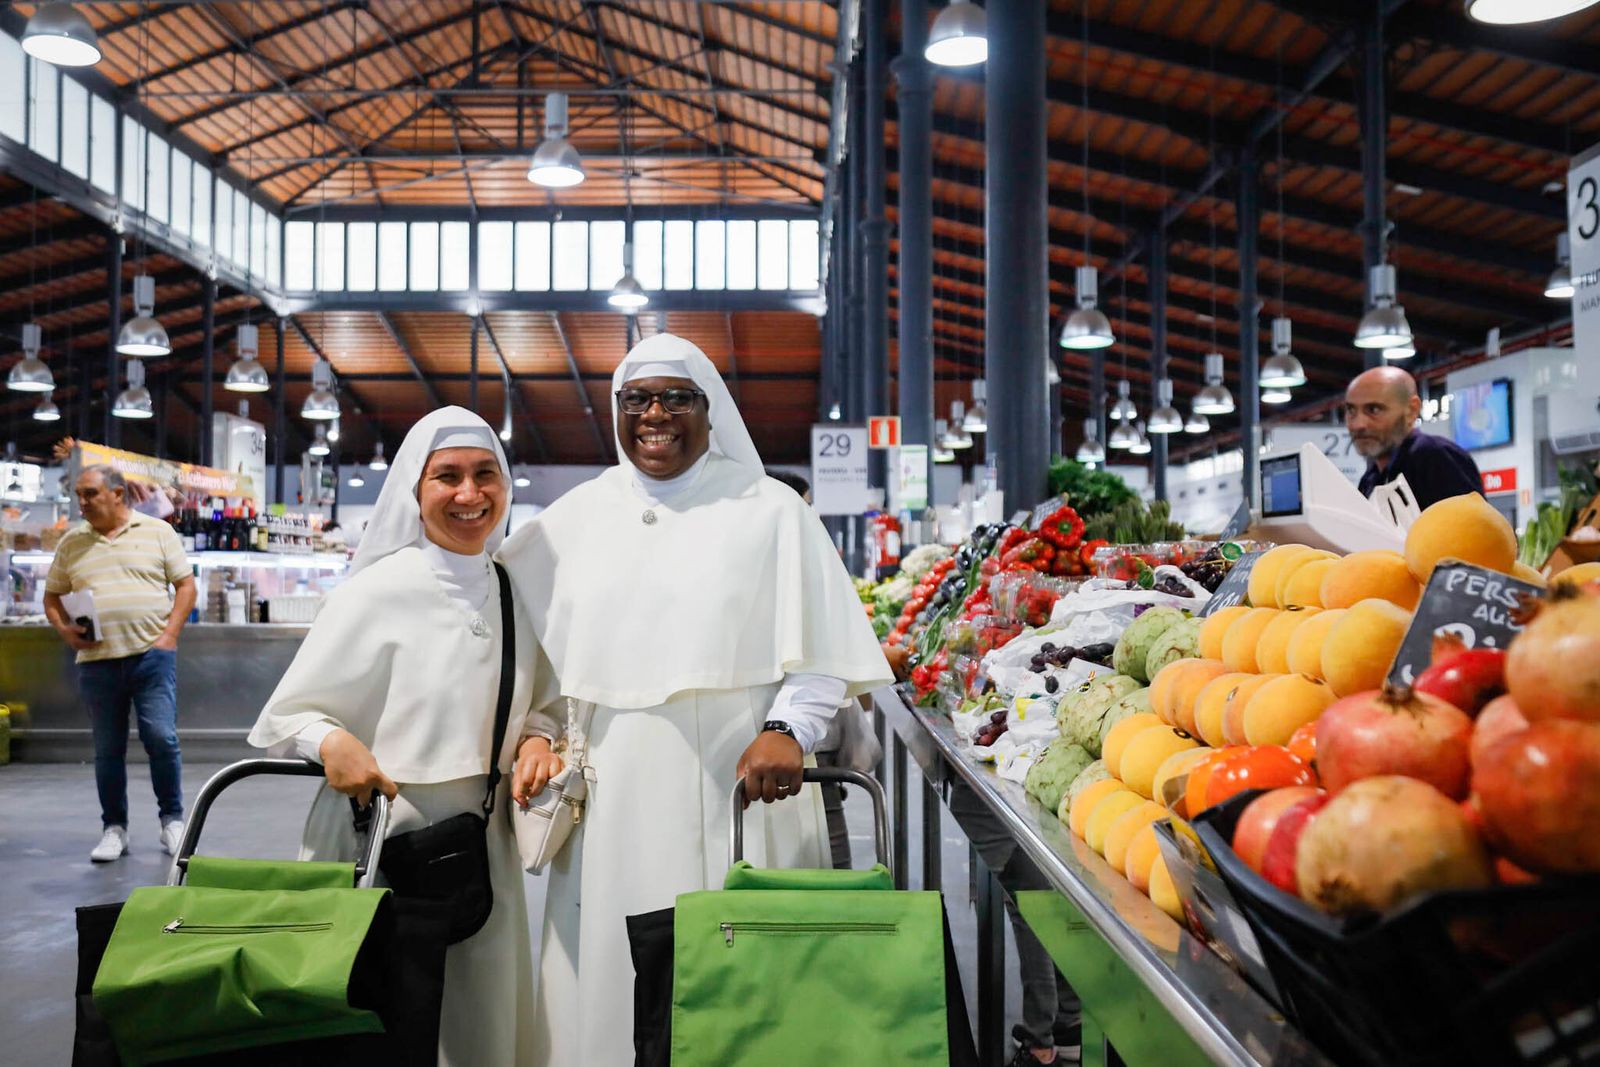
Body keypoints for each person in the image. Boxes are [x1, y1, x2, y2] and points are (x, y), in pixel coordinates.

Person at [500, 333, 893, 1066]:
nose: (656, 414)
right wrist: (535, 733)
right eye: (638, 398)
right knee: (615, 987)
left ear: (709, 412)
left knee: (749, 994)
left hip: (742, 783)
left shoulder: (773, 511)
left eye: (676, 398)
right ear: (617, 410)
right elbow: (539, 664)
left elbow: (821, 652)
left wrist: (788, 730)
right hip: (612, 799)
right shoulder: (571, 523)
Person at [247, 407, 563, 1067]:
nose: (469, 494)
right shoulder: (376, 592)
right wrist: (332, 743)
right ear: (415, 492)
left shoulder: (514, 592)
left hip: (482, 836)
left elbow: (543, 702)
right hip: (378, 830)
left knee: (476, 1009)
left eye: (485, 475)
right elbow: (294, 713)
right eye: (446, 476)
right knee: (379, 1006)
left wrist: (536, 739)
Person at [43, 465, 196, 863]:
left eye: (90, 493)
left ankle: (172, 822)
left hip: (151, 657)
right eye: (79, 494)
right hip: (96, 662)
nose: (82, 502)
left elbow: (185, 586)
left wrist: (169, 637)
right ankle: (114, 829)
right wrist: (64, 630)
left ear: (117, 494)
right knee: (107, 748)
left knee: (161, 738)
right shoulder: (72, 543)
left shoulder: (158, 532)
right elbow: (52, 596)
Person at [1345, 366, 1482, 511]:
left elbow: (1472, 530)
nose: (1358, 424)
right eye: (1351, 410)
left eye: (1374, 410)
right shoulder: (1370, 479)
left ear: (1412, 410)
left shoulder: (1435, 458)